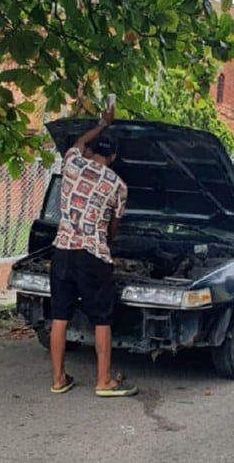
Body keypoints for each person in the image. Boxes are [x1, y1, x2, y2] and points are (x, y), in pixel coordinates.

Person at [48, 105, 137, 397]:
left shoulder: (73, 162)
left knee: (60, 316)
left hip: (62, 251)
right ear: (113, 158)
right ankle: (104, 381)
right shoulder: (118, 185)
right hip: (92, 256)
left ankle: (58, 379)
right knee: (102, 318)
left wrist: (103, 123)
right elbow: (114, 226)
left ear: (90, 151)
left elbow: (78, 142)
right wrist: (106, 246)